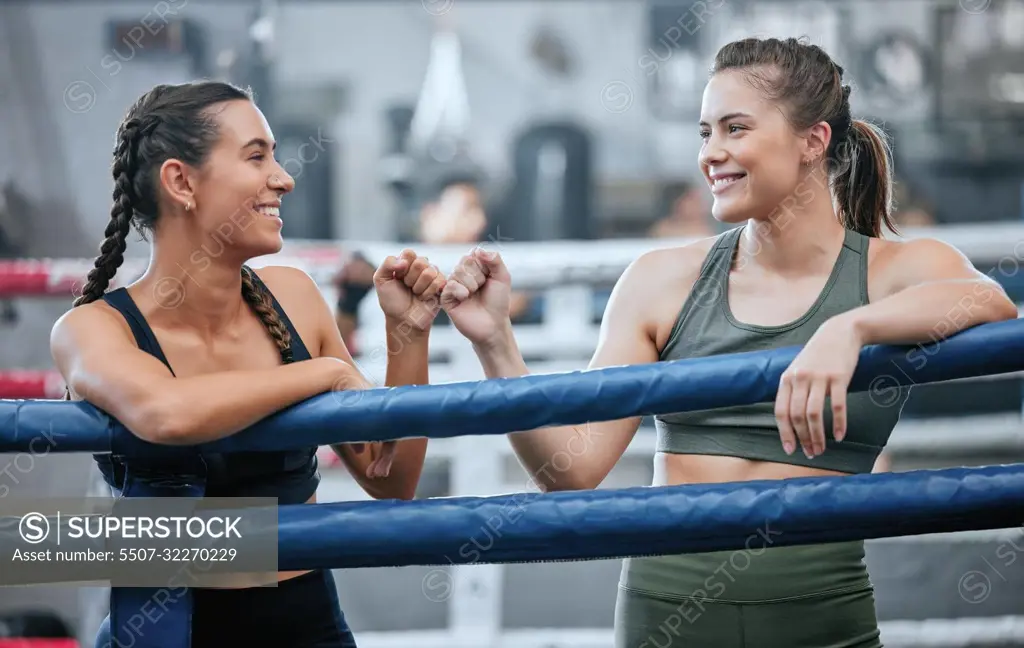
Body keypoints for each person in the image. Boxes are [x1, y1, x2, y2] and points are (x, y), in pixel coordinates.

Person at [438, 37, 1017, 648]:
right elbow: (573, 470)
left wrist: (850, 327)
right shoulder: (660, 280)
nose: (711, 154)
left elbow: (989, 302)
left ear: (812, 142)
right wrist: (496, 342)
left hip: (826, 619)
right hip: (667, 617)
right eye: (704, 132)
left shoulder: (893, 270)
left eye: (735, 129)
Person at [50, 81, 446, 648]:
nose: (283, 178)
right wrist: (325, 375)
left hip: (308, 627)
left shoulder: (294, 299)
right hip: (164, 631)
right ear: (181, 182)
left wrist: (407, 335)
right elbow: (167, 414)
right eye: (256, 156)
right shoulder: (93, 329)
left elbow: (394, 479)